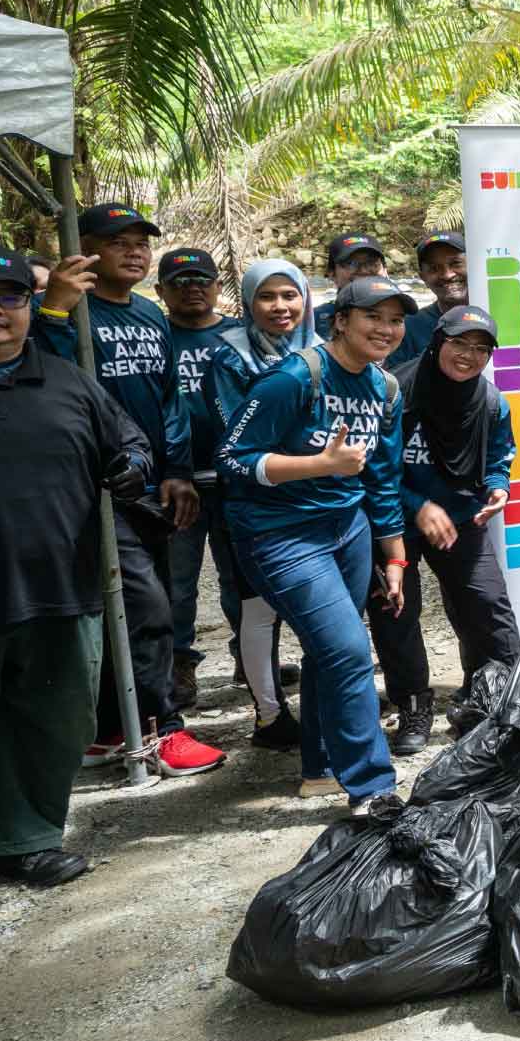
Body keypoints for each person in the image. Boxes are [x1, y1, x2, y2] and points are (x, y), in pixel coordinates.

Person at [0, 244, 153, 890]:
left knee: (53, 724)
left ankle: (28, 838)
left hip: (60, 593)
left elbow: (130, 443)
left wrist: (132, 468)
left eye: (11, 296)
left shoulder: (67, 380)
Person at [36, 204, 221, 776]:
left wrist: (177, 470)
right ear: (85, 246)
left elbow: (169, 400)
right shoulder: (67, 311)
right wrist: (55, 308)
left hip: (146, 484)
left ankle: (116, 727)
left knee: (145, 598)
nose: (135, 251)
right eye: (119, 242)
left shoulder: (147, 313)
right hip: (90, 484)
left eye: (142, 242)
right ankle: (161, 729)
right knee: (145, 606)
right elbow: (48, 375)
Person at [218, 275, 413, 814]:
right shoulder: (292, 379)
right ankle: (372, 788)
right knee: (349, 651)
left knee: (330, 653)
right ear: (340, 321)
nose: (386, 329)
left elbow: (381, 479)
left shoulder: (385, 388)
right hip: (280, 536)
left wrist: (393, 556)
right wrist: (319, 465)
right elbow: (232, 460)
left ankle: (322, 766)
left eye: (396, 320)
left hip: (346, 531)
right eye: (373, 316)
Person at [394, 303, 520, 746]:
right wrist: (418, 505)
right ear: (437, 343)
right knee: (399, 614)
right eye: (459, 344)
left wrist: (497, 486)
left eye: (481, 349)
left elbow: (502, 453)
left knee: (487, 606)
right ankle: (413, 708)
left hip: (462, 515)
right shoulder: (397, 390)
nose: (468, 355)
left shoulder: (489, 400)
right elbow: (373, 469)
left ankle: (498, 699)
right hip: (397, 522)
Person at [207, 261, 318, 746]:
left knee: (322, 609)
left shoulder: (321, 350)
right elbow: (236, 436)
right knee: (258, 611)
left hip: (319, 502)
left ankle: (326, 703)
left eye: (290, 295)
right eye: (267, 297)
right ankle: (269, 716)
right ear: (249, 303)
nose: (280, 307)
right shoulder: (228, 358)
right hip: (256, 503)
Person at [158, 246, 233, 710]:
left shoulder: (239, 336)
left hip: (234, 479)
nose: (192, 288)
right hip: (176, 480)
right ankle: (179, 665)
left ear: (216, 285)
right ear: (162, 290)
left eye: (201, 279)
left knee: (242, 578)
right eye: (181, 281)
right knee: (177, 582)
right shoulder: (154, 334)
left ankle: (250, 658)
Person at [392, 231, 467, 373]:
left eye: (455, 263)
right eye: (434, 268)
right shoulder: (408, 327)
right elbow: (392, 382)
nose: (447, 274)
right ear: (423, 277)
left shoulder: (502, 312)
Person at [311, 232, 387, 336]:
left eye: (372, 263)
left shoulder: (404, 317)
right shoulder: (313, 321)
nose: (364, 270)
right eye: (351, 263)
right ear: (331, 274)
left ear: (385, 270)